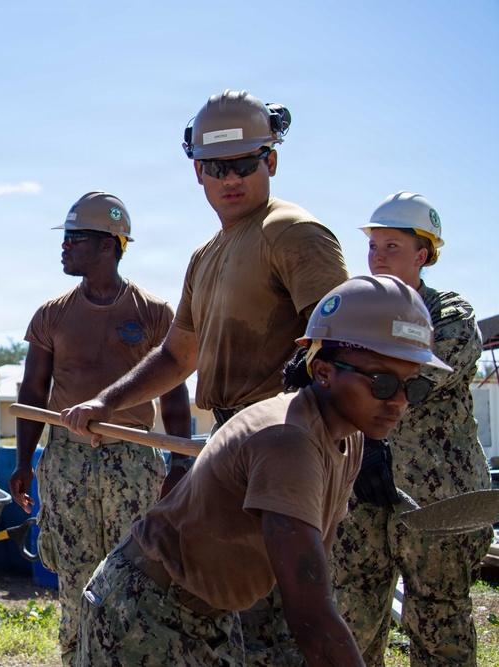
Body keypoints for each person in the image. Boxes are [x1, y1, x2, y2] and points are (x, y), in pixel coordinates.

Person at [62, 89, 350, 664]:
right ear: (197, 170)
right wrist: (107, 403)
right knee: (235, 621)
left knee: (285, 630)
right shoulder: (208, 254)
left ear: (271, 159)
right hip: (230, 455)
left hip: (283, 458)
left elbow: (341, 352)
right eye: (217, 167)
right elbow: (176, 357)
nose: (231, 177)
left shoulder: (294, 234)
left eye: (245, 163)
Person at [76, 274, 452, 667]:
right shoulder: (287, 440)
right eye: (384, 383)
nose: (400, 402)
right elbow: (314, 621)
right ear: (323, 371)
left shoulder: (349, 437)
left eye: (414, 386)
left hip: (207, 613)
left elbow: (314, 585)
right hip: (146, 610)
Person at [8, 192, 192, 666]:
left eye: (75, 238)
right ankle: (77, 658)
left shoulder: (152, 313)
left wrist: (179, 464)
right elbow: (32, 394)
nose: (64, 247)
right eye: (65, 238)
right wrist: (24, 463)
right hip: (68, 462)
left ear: (109, 244)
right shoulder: (52, 314)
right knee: (74, 578)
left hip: (133, 463)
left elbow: (174, 395)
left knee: (134, 576)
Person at [331, 192, 493, 666]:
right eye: (373, 246)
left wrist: (354, 375)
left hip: (436, 494)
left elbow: (429, 375)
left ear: (422, 255)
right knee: (352, 611)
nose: (376, 257)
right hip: (362, 486)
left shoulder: (449, 314)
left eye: (391, 247)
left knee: (438, 620)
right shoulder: (353, 315)